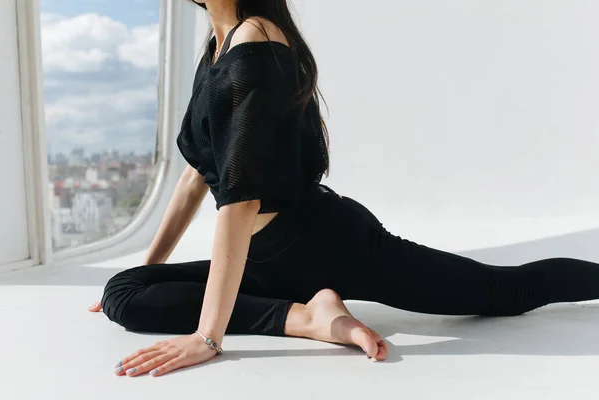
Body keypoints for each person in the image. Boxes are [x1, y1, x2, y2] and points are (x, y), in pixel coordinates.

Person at [88, 0, 599, 378]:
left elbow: (240, 201)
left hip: (324, 243)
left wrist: (207, 338)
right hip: (264, 260)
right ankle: (310, 316)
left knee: (500, 291)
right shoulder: (216, 47)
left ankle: (312, 308)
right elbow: (198, 170)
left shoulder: (256, 46)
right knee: (125, 292)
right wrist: (151, 266)